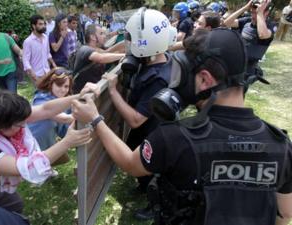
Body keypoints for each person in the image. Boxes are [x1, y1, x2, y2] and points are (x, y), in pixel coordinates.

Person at [72, 28, 292, 225]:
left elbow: (130, 163)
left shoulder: (173, 138)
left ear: (205, 80)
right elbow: (285, 212)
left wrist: (95, 118)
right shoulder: (280, 145)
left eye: (185, 72)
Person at [0, 85, 90, 216]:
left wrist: (78, 97)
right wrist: (67, 142)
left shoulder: (1, 116)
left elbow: (46, 109)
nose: (25, 126)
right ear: (1, 128)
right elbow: (27, 166)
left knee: (15, 205)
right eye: (20, 125)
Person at [86, 8, 175, 220]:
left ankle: (155, 204)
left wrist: (114, 90)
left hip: (152, 131)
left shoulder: (158, 78)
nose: (130, 43)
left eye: (132, 39)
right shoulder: (159, 57)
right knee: (140, 161)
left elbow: (135, 120)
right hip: (149, 127)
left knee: (152, 168)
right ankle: (144, 185)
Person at [223, 0, 275, 90]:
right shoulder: (247, 21)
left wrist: (260, 13)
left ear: (266, 13)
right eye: (252, 12)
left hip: (247, 69)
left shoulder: (270, 26)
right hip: (234, 63)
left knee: (236, 95)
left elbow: (262, 34)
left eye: (256, 13)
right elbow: (226, 23)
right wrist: (245, 8)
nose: (253, 16)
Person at [29, 68, 73, 164]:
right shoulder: (41, 99)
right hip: (34, 141)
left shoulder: (62, 99)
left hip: (48, 139)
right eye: (59, 85)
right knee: (38, 166)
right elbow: (64, 118)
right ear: (50, 83)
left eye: (66, 86)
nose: (63, 90)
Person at [71, 24, 124, 94]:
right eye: (101, 33)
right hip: (82, 96)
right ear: (93, 37)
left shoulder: (100, 48)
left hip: (94, 93)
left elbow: (108, 53)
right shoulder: (84, 50)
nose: (104, 36)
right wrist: (124, 54)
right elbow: (101, 58)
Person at [23, 15, 56, 84]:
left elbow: (47, 53)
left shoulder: (46, 38)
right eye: (40, 24)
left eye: (44, 24)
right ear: (34, 26)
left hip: (47, 72)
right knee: (40, 94)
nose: (43, 26)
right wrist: (34, 76)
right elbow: (26, 61)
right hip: (36, 75)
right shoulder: (28, 41)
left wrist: (54, 65)